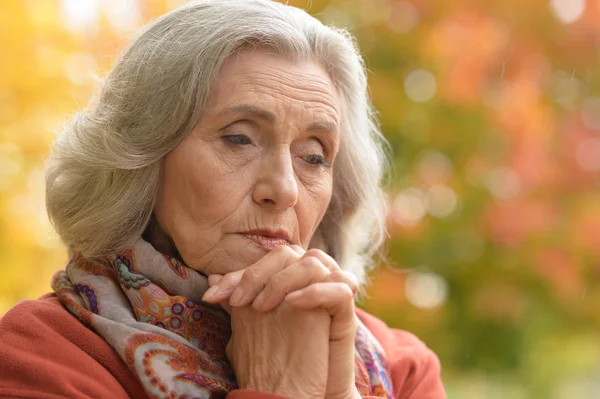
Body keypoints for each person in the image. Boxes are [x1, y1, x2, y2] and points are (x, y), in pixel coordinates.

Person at [0, 1, 446, 398]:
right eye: (239, 139)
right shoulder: (39, 358)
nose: (285, 189)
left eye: (313, 156)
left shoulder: (403, 369)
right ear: (143, 158)